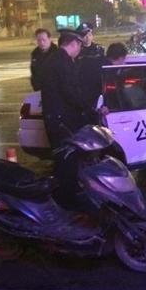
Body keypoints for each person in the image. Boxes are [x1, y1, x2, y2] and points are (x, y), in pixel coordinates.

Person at [40, 29, 108, 203]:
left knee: (64, 158)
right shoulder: (63, 63)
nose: (80, 50)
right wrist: (91, 109)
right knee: (67, 159)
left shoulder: (53, 60)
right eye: (79, 45)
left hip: (55, 118)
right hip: (62, 121)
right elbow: (71, 93)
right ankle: (66, 199)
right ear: (73, 44)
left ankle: (66, 194)